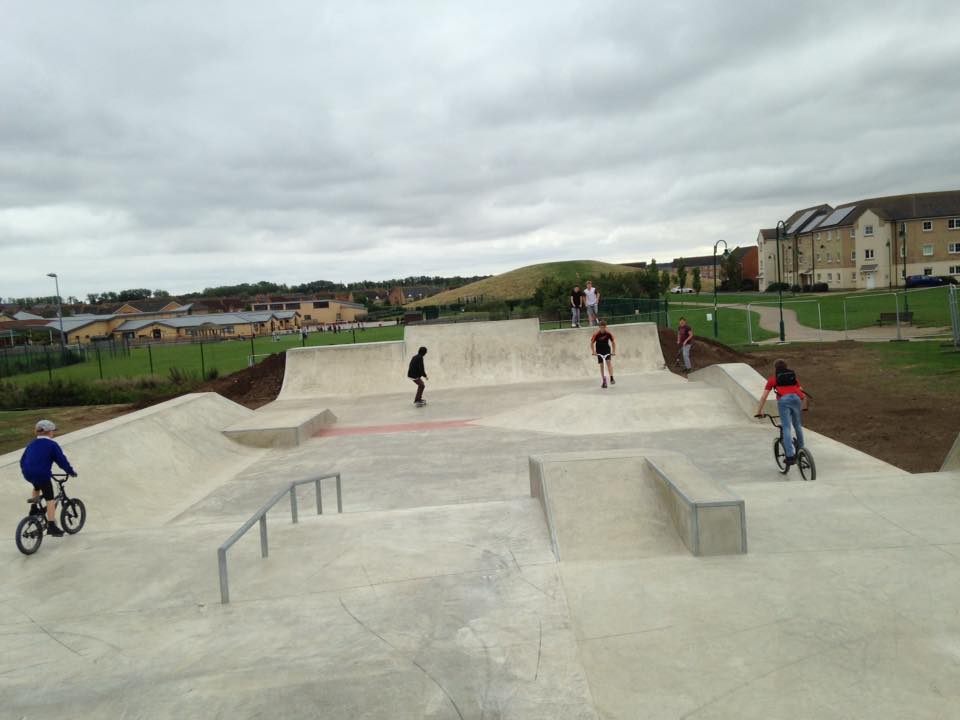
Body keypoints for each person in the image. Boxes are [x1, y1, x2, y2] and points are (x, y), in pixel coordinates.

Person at [20, 419, 76, 536]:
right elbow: (61, 461)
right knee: (49, 498)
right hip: (42, 474)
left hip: (28, 473)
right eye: (53, 431)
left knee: (37, 486)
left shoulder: (31, 444)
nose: (53, 433)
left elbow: (22, 460)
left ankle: (34, 509)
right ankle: (51, 526)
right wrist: (70, 471)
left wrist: (27, 471)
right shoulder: (52, 445)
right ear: (49, 432)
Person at [756, 359, 806, 467]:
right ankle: (802, 449)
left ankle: (789, 456)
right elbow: (801, 390)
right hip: (796, 399)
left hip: (784, 401)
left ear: (775, 368)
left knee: (786, 427)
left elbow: (764, 396)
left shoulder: (773, 379)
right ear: (786, 366)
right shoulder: (792, 377)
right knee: (797, 425)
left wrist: (759, 410)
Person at [590, 320, 616, 388]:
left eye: (603, 327)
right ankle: (604, 381)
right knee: (601, 365)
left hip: (606, 349)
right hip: (599, 350)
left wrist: (613, 351)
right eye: (601, 327)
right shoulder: (596, 334)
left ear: (605, 327)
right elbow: (591, 343)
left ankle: (611, 377)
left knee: (608, 362)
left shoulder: (608, 333)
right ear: (599, 327)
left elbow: (613, 342)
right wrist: (593, 351)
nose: (602, 329)